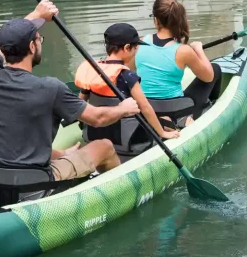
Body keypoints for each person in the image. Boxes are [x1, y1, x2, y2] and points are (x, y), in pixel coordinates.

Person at [0, 0, 140, 205]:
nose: (40, 43)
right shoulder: (50, 88)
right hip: (30, 190)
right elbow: (98, 118)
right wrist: (124, 109)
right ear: (32, 46)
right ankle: (123, 200)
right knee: (104, 147)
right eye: (39, 39)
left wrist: (35, 15)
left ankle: (62, 156)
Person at [74, 23, 179, 157]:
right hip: (128, 142)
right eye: (136, 47)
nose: (137, 51)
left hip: (93, 137)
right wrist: (162, 133)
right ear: (127, 48)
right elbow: (145, 107)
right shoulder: (127, 76)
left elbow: (80, 103)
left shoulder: (93, 70)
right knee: (166, 120)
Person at [135, 0, 221, 124]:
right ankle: (211, 107)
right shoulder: (184, 51)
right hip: (176, 113)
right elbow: (208, 77)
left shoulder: (140, 43)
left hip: (147, 110)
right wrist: (199, 50)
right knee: (215, 69)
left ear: (156, 20)